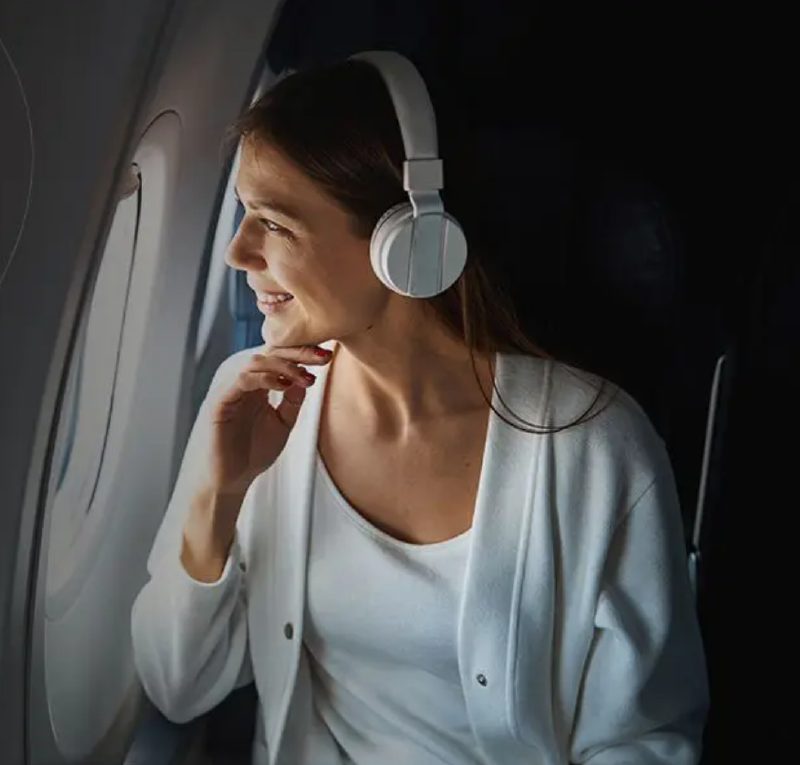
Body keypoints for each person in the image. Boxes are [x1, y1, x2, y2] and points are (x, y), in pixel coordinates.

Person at [131, 52, 708, 765]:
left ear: (403, 242)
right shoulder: (252, 407)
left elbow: (645, 740)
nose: (235, 250)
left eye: (273, 223)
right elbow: (176, 686)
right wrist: (219, 495)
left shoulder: (597, 448)